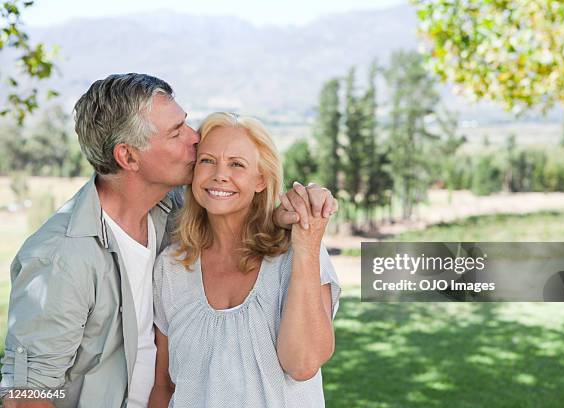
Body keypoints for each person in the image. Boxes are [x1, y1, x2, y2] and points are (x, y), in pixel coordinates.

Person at [0, 74, 337, 407]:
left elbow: (230, 205)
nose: (195, 138)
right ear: (128, 157)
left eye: (186, 125)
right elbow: (25, 394)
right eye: (176, 133)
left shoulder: (167, 211)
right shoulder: (62, 256)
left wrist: (288, 218)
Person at [149, 112, 341, 407]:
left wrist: (305, 243)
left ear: (261, 179)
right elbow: (164, 385)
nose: (219, 174)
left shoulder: (298, 254)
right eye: (207, 160)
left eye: (236, 164)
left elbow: (302, 363)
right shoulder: (171, 267)